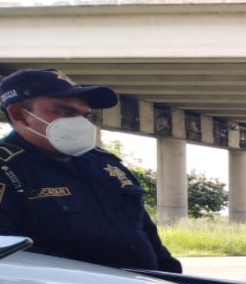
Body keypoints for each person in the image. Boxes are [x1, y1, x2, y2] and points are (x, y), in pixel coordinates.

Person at [0, 69, 181, 272]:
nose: (81, 123)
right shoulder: (8, 171)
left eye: (86, 115)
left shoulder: (106, 165)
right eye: (66, 112)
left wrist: (175, 280)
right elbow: (10, 261)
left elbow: (146, 234)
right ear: (19, 115)